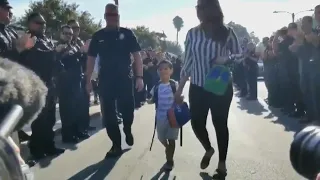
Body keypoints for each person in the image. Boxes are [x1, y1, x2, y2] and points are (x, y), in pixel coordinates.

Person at [174, 0, 240, 178]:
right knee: (196, 123)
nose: (198, 11)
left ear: (211, 10)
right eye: (197, 8)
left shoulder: (227, 32)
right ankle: (208, 149)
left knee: (220, 124)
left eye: (201, 8)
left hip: (220, 85)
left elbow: (239, 55)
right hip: (198, 85)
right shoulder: (192, 33)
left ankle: (222, 164)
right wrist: (179, 89)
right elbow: (187, 62)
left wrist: (226, 58)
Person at [85, 3, 144, 158]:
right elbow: (90, 59)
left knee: (128, 110)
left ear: (118, 17)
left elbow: (137, 56)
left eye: (115, 15)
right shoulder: (98, 36)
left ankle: (127, 128)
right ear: (105, 17)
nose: (113, 18)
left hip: (125, 78)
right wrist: (88, 80)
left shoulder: (127, 33)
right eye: (110, 15)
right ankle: (116, 144)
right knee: (108, 114)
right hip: (106, 81)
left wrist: (139, 77)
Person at [19, 12, 65, 160]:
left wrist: (57, 58)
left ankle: (49, 146)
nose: (43, 26)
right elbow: (37, 56)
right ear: (30, 23)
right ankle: (37, 149)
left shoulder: (45, 39)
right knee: (40, 119)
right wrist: (54, 52)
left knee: (50, 118)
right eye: (39, 23)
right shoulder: (28, 38)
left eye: (44, 23)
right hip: (36, 84)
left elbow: (53, 59)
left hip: (50, 83)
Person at [148, 60, 179, 171]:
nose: (163, 71)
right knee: (161, 138)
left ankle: (169, 161)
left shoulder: (174, 84)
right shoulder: (156, 86)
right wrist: (149, 101)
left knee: (171, 139)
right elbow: (152, 99)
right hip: (160, 118)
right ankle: (168, 148)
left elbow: (179, 97)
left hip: (173, 117)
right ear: (158, 71)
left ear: (171, 71)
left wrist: (180, 99)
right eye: (160, 69)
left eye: (166, 68)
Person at [67, 19, 95, 132]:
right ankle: (77, 130)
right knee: (75, 106)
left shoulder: (79, 41)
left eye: (77, 28)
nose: (75, 30)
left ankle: (84, 126)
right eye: (73, 28)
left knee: (85, 103)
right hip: (71, 79)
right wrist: (81, 51)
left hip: (83, 75)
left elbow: (86, 58)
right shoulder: (66, 42)